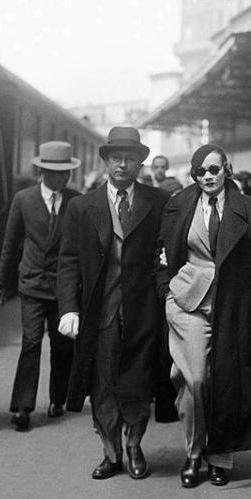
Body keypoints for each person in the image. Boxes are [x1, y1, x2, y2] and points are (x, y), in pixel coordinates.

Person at [156, 144, 251, 487]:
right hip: (186, 301)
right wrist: (165, 287)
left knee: (228, 380)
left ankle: (220, 457)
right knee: (195, 379)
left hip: (234, 304)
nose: (207, 176)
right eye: (200, 172)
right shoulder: (179, 204)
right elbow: (161, 250)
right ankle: (194, 451)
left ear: (226, 168)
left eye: (213, 169)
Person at [57, 126, 170, 480]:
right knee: (102, 384)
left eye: (131, 158)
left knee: (138, 382)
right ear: (105, 161)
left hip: (142, 310)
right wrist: (69, 308)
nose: (123, 164)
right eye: (116, 157)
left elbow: (166, 254)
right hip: (100, 311)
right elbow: (69, 260)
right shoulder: (81, 207)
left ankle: (134, 445)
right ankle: (111, 452)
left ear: (140, 162)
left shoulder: (158, 202)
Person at [0, 141, 80, 431]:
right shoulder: (23, 200)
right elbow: (10, 243)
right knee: (31, 343)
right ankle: (22, 407)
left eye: (67, 172)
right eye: (57, 172)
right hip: (31, 284)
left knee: (62, 345)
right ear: (42, 171)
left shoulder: (76, 201)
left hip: (64, 287)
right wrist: (0, 283)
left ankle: (58, 398)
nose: (64, 177)